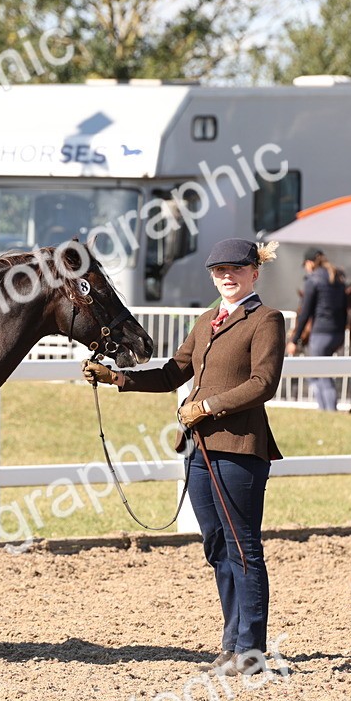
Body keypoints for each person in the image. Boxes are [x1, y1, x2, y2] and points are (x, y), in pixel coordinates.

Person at [82, 238, 286, 677]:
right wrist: (119, 377)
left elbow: (263, 383)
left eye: (236, 269)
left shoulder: (266, 319)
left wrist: (208, 407)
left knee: (243, 546)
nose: (227, 277)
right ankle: (232, 643)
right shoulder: (207, 319)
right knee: (216, 545)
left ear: (254, 272)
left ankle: (252, 649)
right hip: (198, 448)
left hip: (239, 447)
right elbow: (176, 371)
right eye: (219, 271)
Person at [286, 248, 348, 411]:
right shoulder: (338, 277)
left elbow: (305, 313)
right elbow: (344, 308)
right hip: (337, 334)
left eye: (305, 265)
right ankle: (325, 410)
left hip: (320, 334)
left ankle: (329, 412)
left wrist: (294, 340)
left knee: (320, 375)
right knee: (318, 373)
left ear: (310, 262)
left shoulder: (313, 280)